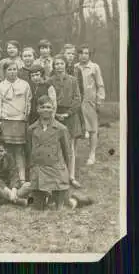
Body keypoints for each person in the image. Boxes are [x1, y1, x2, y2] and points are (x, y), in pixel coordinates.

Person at [26, 95, 72, 210]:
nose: (46, 110)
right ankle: (44, 197)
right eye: (42, 107)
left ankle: (62, 199)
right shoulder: (31, 129)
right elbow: (30, 150)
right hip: (39, 169)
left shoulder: (61, 129)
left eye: (48, 107)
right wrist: (32, 168)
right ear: (37, 109)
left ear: (53, 109)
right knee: (38, 208)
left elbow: (67, 153)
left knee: (59, 208)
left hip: (56, 169)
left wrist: (66, 172)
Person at [0, 60, 32, 184]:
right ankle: (10, 178)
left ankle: (22, 178)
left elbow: (28, 102)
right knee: (7, 151)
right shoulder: (0, 86)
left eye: (14, 69)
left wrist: (26, 116)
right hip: (6, 121)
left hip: (20, 121)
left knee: (19, 151)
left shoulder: (25, 85)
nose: (12, 72)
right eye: (9, 69)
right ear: (5, 71)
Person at [50, 55, 83, 188]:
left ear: (65, 65)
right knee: (56, 147)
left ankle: (71, 176)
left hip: (70, 116)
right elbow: (49, 99)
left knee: (70, 148)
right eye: (56, 64)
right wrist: (55, 114)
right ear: (53, 66)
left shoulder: (73, 80)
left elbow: (77, 99)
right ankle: (58, 176)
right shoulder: (50, 81)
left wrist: (67, 114)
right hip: (55, 115)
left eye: (61, 63)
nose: (59, 66)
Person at [75, 44, 105, 165]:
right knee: (76, 129)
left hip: (90, 102)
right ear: (78, 55)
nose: (84, 56)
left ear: (89, 55)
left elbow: (100, 85)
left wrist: (99, 100)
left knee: (93, 129)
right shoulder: (75, 67)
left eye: (86, 53)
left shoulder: (94, 67)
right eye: (81, 53)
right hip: (77, 102)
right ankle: (74, 153)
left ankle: (92, 155)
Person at [0, 140, 31, 206]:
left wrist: (14, 189)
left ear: (5, 151)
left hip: (8, 186)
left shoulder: (9, 157)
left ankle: (3, 201)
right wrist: (9, 191)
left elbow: (14, 173)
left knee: (28, 185)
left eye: (1, 151)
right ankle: (18, 201)